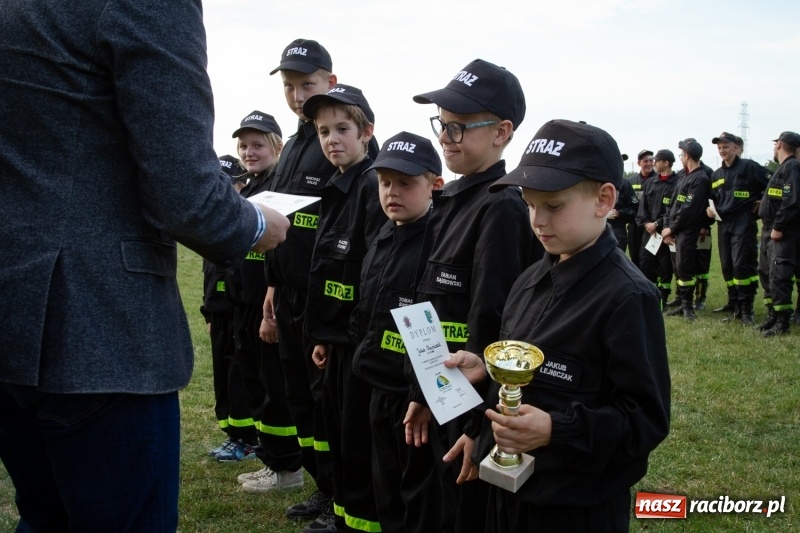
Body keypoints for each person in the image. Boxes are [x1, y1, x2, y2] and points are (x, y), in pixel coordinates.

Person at [0, 1, 289, 530]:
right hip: (98, 326)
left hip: (16, 311)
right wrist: (255, 225)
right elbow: (185, 192)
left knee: (45, 516)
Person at [457, 118, 670, 532]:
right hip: (506, 496)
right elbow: (515, 376)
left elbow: (644, 420)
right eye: (529, 203)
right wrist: (480, 418)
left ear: (603, 200)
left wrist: (557, 429)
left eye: (553, 205)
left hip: (573, 507)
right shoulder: (529, 278)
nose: (537, 220)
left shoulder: (628, 297)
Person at [411, 58, 541, 533]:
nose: (446, 137)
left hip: (470, 404)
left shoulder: (501, 206)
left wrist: (476, 428)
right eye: (442, 125)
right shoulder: (456, 199)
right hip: (442, 391)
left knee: (462, 511)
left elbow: (495, 325)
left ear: (503, 132)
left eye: (461, 127)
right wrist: (422, 392)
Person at [302, 84, 387, 533]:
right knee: (336, 426)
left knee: (356, 435)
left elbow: (373, 275)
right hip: (335, 339)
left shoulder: (373, 185)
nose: (331, 139)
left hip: (356, 340)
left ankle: (355, 519)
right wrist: (322, 335)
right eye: (322, 132)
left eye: (342, 129)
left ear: (366, 132)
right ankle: (337, 507)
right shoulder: (340, 185)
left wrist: (348, 337)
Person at [351, 131, 445, 533]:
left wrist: (422, 395)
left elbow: (441, 329)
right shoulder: (385, 233)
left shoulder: (440, 242)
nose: (392, 192)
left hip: (413, 400)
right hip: (376, 384)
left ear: (434, 185)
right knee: (385, 488)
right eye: (385, 182)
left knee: (419, 497)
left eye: (405, 183)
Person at [264, 38, 340, 530]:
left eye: (306, 84)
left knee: (327, 399)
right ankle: (322, 485)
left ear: (330, 82)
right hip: (287, 289)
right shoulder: (293, 143)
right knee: (301, 397)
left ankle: (341, 494)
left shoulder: (341, 138)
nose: (297, 95)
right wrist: (271, 285)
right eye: (290, 86)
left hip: (321, 295)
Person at [225, 112, 305, 489]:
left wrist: (269, 308)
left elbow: (280, 255)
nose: (249, 151)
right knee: (255, 383)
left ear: (277, 145)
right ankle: (270, 457)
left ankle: (287, 467)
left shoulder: (279, 191)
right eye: (243, 145)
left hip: (266, 305)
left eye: (257, 144)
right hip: (244, 304)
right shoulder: (251, 188)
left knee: (275, 388)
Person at [203, 155, 260, 460]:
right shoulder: (212, 224)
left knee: (239, 376)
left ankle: (246, 438)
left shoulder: (245, 220)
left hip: (239, 313)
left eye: (230, 184)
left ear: (242, 184)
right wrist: (209, 312)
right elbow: (209, 276)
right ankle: (232, 434)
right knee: (223, 377)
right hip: (220, 315)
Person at [707, 132, 770, 324]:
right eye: (719, 148)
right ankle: (734, 305)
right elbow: (713, 198)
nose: (722, 150)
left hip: (743, 222)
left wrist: (762, 201)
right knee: (727, 266)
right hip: (723, 224)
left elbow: (774, 183)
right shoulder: (716, 174)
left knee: (743, 264)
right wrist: (709, 210)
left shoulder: (749, 167)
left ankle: (746, 309)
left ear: (736, 148)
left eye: (726, 147)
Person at [662, 138, 711, 320]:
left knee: (685, 267)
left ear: (688, 155)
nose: (680, 157)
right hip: (675, 230)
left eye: (682, 154)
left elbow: (689, 210)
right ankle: (683, 304)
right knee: (678, 267)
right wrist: (667, 226)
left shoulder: (701, 179)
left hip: (687, 230)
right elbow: (673, 204)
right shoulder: (683, 176)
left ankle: (688, 307)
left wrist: (671, 228)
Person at [757, 131, 800, 336]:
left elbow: (791, 201)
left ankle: (782, 322)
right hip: (768, 231)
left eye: (775, 145)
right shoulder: (782, 168)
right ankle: (772, 315)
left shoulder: (792, 167)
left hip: (781, 233)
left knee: (779, 275)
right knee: (766, 273)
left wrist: (779, 226)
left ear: (780, 144)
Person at [636, 149, 678, 307]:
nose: (654, 163)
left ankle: (664, 298)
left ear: (666, 163)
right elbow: (643, 208)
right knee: (646, 263)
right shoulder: (650, 183)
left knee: (665, 266)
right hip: (649, 232)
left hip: (665, 232)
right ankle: (650, 296)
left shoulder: (677, 182)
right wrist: (646, 223)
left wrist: (658, 224)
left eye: (657, 160)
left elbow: (674, 210)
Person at [627, 150, 657, 268]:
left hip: (652, 226)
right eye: (645, 161)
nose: (649, 163)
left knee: (650, 260)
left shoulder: (658, 180)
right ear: (639, 163)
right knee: (635, 258)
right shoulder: (631, 181)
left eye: (651, 160)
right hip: (635, 226)